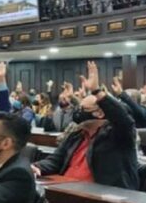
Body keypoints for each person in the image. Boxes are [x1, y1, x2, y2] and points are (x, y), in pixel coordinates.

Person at [33, 61, 139, 189]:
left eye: (83, 109)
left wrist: (97, 91)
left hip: (100, 196)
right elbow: (55, 161)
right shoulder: (76, 135)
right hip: (66, 188)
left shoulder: (117, 134)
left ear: (99, 113)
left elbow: (123, 118)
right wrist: (36, 167)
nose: (78, 113)